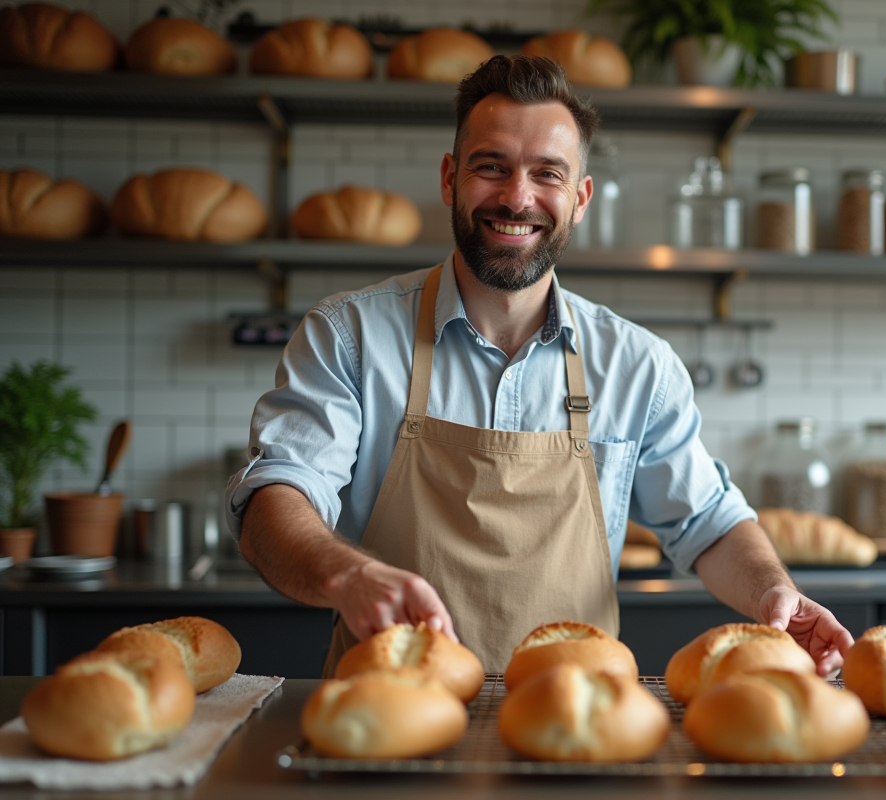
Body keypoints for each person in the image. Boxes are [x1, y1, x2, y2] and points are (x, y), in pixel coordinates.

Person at [226, 55, 853, 677]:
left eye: (546, 174)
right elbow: (275, 497)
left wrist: (772, 590)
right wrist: (348, 574)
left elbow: (708, 523)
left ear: (579, 199)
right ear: (449, 179)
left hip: (576, 725)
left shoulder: (637, 365)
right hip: (388, 717)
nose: (517, 197)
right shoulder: (351, 336)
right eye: (490, 167)